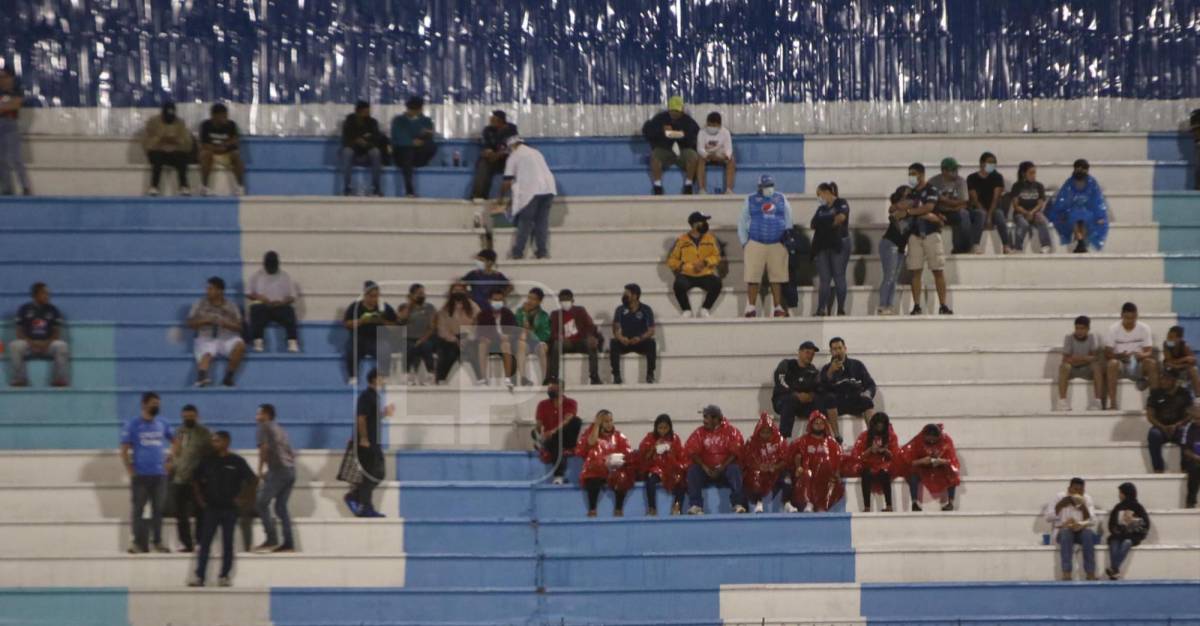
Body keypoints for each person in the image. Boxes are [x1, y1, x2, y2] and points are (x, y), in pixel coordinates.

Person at [188, 431, 255, 587]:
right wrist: (200, 500)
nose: (214, 443)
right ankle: (199, 577)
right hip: (211, 509)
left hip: (230, 510)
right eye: (213, 441)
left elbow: (253, 480)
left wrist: (243, 499)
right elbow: (195, 480)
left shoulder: (237, 461)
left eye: (217, 441)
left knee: (228, 544)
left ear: (226, 441)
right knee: (204, 544)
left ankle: (224, 576)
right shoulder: (207, 461)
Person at [120, 392, 173, 553]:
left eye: (158, 403)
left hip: (159, 476)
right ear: (144, 404)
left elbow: (177, 440)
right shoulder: (133, 424)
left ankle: (157, 542)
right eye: (153, 403)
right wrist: (130, 469)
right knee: (138, 510)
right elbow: (124, 449)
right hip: (141, 476)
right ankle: (137, 543)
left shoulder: (163, 423)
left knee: (158, 510)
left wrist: (170, 461)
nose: (156, 406)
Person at [739, 174, 793, 318]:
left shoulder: (781, 198)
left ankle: (778, 307)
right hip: (756, 241)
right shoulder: (750, 199)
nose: (768, 188)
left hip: (778, 242)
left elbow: (788, 218)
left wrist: (788, 237)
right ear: (759, 187)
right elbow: (742, 222)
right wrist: (745, 242)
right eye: (765, 186)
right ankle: (750, 307)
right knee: (752, 276)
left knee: (778, 277)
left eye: (770, 185)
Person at [903, 163, 953, 315]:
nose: (911, 177)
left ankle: (943, 305)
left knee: (938, 270)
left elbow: (929, 207)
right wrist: (910, 211)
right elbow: (899, 207)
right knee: (915, 271)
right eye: (909, 174)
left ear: (921, 174)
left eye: (913, 174)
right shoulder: (910, 192)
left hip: (931, 233)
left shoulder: (932, 190)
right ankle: (917, 306)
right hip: (914, 234)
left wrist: (910, 211)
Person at [498, 135, 556, 260]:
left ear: (511, 146)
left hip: (532, 191)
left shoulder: (514, 156)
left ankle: (518, 253)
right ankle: (542, 252)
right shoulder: (536, 152)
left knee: (525, 222)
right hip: (549, 189)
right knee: (542, 222)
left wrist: (500, 199)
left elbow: (507, 182)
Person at [344, 369, 393, 517]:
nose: (384, 381)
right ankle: (363, 505)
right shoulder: (366, 396)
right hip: (367, 443)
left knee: (377, 473)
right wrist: (364, 439)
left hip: (373, 441)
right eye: (382, 378)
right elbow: (361, 418)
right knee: (372, 474)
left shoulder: (374, 397)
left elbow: (372, 418)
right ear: (374, 379)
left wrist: (384, 414)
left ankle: (359, 499)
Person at [685, 405, 747, 514]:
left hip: (724, 471)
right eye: (704, 417)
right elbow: (692, 451)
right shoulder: (699, 432)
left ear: (716, 419)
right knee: (693, 470)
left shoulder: (731, 431)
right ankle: (696, 505)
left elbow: (735, 453)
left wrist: (721, 468)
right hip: (706, 471)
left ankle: (738, 504)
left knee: (734, 469)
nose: (704, 421)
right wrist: (705, 468)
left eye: (706, 417)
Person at [186, 276, 245, 387]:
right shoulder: (199, 304)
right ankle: (201, 377)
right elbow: (189, 323)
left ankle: (228, 377)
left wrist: (226, 324)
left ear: (220, 291)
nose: (208, 291)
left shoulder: (231, 306)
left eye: (211, 289)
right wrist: (205, 321)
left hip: (226, 336)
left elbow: (240, 327)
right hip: (206, 336)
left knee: (240, 345)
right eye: (208, 288)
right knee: (207, 352)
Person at [577, 410, 636, 517]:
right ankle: (592, 509)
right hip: (597, 469)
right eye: (605, 421)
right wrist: (596, 426)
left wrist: (617, 460)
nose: (609, 424)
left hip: (614, 470)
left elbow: (627, 454)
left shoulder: (619, 436)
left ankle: (618, 508)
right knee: (592, 478)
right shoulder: (591, 434)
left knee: (623, 477)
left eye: (610, 421)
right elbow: (590, 443)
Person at [9, 282, 69, 387]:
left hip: (48, 345)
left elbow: (56, 333)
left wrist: (46, 343)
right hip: (29, 345)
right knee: (15, 345)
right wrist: (32, 343)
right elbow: (19, 332)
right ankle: (19, 379)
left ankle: (60, 379)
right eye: (44, 293)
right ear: (35, 295)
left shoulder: (53, 310)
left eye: (48, 294)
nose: (47, 296)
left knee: (61, 345)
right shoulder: (24, 309)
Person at [169, 404, 211, 553]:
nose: (188, 419)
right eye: (185, 416)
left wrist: (204, 474)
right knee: (181, 514)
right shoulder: (179, 432)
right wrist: (172, 464)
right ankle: (186, 543)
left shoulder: (204, 433)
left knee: (200, 511)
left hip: (197, 480)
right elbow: (176, 451)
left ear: (197, 416)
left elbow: (209, 454)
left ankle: (200, 541)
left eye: (191, 416)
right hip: (180, 478)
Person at [254, 403, 295, 553]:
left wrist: (260, 470)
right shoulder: (280, 429)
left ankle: (271, 538)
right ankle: (289, 543)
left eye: (259, 413)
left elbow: (264, 448)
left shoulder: (263, 428)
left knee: (261, 502)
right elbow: (290, 452)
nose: (256, 417)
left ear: (266, 415)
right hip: (289, 470)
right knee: (281, 507)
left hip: (279, 470)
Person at [667, 211, 722, 318]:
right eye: (703, 221)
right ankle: (686, 310)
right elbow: (672, 260)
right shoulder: (682, 240)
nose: (705, 224)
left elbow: (717, 257)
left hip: (706, 274)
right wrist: (685, 266)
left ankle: (705, 309)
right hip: (687, 275)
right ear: (694, 224)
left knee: (717, 283)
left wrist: (705, 262)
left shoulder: (710, 238)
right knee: (678, 284)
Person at [1043, 477, 1099, 581]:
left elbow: (1093, 520)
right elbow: (1047, 517)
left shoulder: (1086, 498)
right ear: (1069, 489)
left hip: (1080, 531)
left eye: (1081, 490)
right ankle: (1066, 572)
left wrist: (1081, 522)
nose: (1078, 492)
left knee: (1087, 534)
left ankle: (1090, 573)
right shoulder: (1059, 497)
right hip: (1063, 530)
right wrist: (1060, 506)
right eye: (1075, 489)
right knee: (1066, 533)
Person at [1049, 159, 1110, 254]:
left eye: (1083, 169)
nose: (1081, 171)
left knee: (1084, 218)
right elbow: (1063, 201)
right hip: (1071, 212)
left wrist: (1100, 216)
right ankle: (1080, 241)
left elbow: (1097, 201)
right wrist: (1061, 213)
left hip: (1088, 212)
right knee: (1075, 217)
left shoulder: (1092, 183)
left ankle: (1081, 242)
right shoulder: (1069, 184)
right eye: (1079, 169)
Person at [343, 280, 398, 385]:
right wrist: (361, 321)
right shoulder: (355, 307)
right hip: (359, 339)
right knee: (351, 348)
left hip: (377, 339)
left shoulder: (384, 307)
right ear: (365, 295)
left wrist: (382, 321)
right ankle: (353, 376)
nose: (374, 299)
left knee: (385, 347)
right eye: (372, 296)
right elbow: (346, 323)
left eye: (376, 296)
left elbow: (395, 326)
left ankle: (384, 375)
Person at [642, 96, 700, 195]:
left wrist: (679, 134)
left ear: (681, 110)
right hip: (665, 149)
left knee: (693, 156)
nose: (674, 113)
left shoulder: (688, 121)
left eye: (677, 111)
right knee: (655, 156)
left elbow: (694, 137)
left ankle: (688, 185)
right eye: (672, 111)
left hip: (683, 150)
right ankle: (657, 186)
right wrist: (661, 132)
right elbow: (647, 132)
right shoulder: (660, 119)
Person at [818, 337, 876, 437]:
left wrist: (867, 394)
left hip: (854, 400)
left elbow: (870, 384)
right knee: (829, 399)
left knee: (867, 401)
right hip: (837, 403)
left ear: (845, 348)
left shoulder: (857, 365)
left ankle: (873, 436)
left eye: (840, 348)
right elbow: (822, 389)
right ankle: (836, 437)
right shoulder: (827, 368)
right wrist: (830, 372)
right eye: (835, 349)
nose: (838, 351)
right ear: (831, 351)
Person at [788, 412, 845, 512]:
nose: (819, 426)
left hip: (826, 476)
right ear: (811, 424)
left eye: (821, 423)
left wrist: (837, 472)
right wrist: (798, 467)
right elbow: (795, 456)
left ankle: (823, 506)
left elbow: (838, 459)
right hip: (808, 473)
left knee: (833, 481)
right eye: (816, 423)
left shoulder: (832, 443)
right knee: (807, 475)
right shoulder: (802, 441)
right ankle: (808, 503)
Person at [1105, 302, 1158, 408]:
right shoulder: (1113, 329)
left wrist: (1141, 355)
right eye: (1127, 318)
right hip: (1121, 363)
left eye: (1132, 318)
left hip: (1138, 362)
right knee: (1112, 364)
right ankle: (1113, 403)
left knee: (1151, 363)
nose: (1130, 321)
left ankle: (1154, 403)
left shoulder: (1144, 328)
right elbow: (1107, 353)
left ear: (1136, 316)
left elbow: (1149, 351)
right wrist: (1120, 356)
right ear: (1122, 316)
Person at [246, 251, 300, 353]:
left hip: (279, 306)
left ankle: (292, 341)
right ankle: (258, 341)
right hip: (263, 306)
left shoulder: (285, 276)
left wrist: (282, 302)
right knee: (255, 309)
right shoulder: (256, 276)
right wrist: (260, 298)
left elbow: (292, 296)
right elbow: (248, 293)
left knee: (290, 311)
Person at [810, 182, 851, 316]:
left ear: (827, 192)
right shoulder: (821, 209)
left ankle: (840, 309)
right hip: (822, 245)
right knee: (824, 279)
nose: (819, 198)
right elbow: (813, 224)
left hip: (838, 244)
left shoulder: (841, 203)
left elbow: (840, 218)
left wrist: (825, 224)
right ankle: (821, 309)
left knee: (839, 276)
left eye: (819, 194)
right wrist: (828, 222)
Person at [547, 289, 601, 385]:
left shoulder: (580, 310)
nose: (565, 302)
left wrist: (590, 336)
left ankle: (594, 377)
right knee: (556, 345)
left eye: (567, 300)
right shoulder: (555, 314)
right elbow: (552, 332)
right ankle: (554, 377)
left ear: (572, 300)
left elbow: (590, 326)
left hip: (580, 342)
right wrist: (561, 338)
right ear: (559, 301)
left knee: (592, 345)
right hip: (565, 343)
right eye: (562, 300)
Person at [928, 157, 982, 255]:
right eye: (952, 170)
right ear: (944, 171)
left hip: (956, 210)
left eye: (956, 169)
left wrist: (945, 200)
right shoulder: (934, 182)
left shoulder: (961, 181)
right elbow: (932, 202)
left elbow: (964, 202)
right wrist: (951, 204)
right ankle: (961, 249)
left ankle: (972, 245)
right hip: (940, 212)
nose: (956, 172)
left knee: (977, 214)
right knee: (961, 215)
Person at [534, 378, 583, 485]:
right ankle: (558, 476)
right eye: (549, 388)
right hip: (551, 440)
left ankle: (556, 446)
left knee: (576, 421)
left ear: (561, 390)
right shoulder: (542, 404)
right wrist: (541, 434)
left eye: (553, 388)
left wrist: (553, 431)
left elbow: (568, 420)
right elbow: (539, 425)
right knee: (554, 441)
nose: (550, 390)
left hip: (566, 437)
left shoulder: (570, 402)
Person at [901, 423, 960, 511]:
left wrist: (942, 461)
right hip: (923, 468)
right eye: (929, 439)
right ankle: (914, 503)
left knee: (952, 472)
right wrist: (921, 461)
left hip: (940, 468)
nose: (932, 442)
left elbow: (953, 461)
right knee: (912, 474)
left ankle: (950, 502)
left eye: (934, 440)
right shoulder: (918, 440)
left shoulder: (946, 440)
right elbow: (907, 461)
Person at [1146, 370, 1194, 473]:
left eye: (1167, 379)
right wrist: (1162, 426)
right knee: (1153, 434)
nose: (1163, 381)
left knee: (1184, 433)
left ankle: (1185, 468)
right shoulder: (1155, 393)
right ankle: (1158, 468)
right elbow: (1150, 416)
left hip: (1179, 426)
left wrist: (1178, 424)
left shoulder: (1184, 393)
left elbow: (1190, 414)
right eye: (1162, 378)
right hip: (1161, 427)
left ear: (1175, 380)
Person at [850, 412, 899, 512]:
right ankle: (867, 507)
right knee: (865, 474)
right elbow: (857, 455)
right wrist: (869, 451)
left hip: (885, 465)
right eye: (878, 424)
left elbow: (895, 456)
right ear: (874, 424)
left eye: (882, 424)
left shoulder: (891, 436)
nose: (880, 426)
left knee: (885, 473)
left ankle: (889, 505)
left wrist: (885, 451)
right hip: (868, 465)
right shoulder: (864, 436)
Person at [638, 414, 687, 515]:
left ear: (670, 428)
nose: (663, 431)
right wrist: (654, 447)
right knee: (650, 481)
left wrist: (670, 449)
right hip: (656, 468)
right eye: (660, 428)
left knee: (681, 480)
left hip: (671, 468)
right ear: (656, 428)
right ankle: (652, 508)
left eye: (665, 428)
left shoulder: (675, 438)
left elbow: (680, 456)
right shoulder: (650, 438)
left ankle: (677, 507)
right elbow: (644, 457)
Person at [772, 341, 822, 438]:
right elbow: (780, 382)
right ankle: (783, 439)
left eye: (812, 354)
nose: (810, 356)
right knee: (790, 400)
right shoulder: (786, 364)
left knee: (822, 400)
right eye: (807, 352)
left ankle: (817, 438)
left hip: (802, 403)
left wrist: (810, 396)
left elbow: (818, 388)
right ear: (799, 352)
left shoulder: (813, 371)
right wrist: (796, 394)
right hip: (782, 400)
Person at [142, 101, 193, 196]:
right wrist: (160, 140)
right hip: (158, 151)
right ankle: (154, 187)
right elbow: (146, 143)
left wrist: (176, 141)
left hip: (175, 152)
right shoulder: (153, 122)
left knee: (182, 158)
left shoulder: (180, 123)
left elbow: (188, 144)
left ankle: (184, 186)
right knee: (157, 158)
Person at [1056, 315, 1106, 411]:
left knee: (1097, 366)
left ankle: (1097, 401)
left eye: (1082, 328)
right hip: (1073, 369)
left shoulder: (1092, 337)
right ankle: (1062, 402)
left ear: (1088, 329)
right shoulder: (1069, 337)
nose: (1079, 331)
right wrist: (1085, 358)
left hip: (1086, 369)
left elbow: (1094, 358)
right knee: (1063, 367)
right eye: (1077, 328)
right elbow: (1065, 360)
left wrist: (1075, 358)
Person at [390, 96, 437, 197]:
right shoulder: (398, 120)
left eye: (416, 110)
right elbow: (397, 138)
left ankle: (420, 163)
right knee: (407, 151)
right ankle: (409, 190)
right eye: (411, 109)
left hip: (418, 155)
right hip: (402, 155)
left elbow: (428, 136)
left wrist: (422, 137)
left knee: (430, 145)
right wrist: (411, 142)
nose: (413, 112)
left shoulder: (426, 120)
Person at [610, 283, 656, 385]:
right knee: (614, 343)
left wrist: (640, 338)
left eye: (627, 293)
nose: (624, 296)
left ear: (635, 296)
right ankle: (616, 376)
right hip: (625, 342)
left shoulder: (646, 309)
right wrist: (621, 338)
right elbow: (616, 329)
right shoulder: (620, 309)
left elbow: (651, 330)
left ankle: (650, 374)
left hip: (640, 342)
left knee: (651, 343)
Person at [742, 413, 789, 513]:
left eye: (768, 432)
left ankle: (787, 503)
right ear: (758, 431)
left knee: (787, 478)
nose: (766, 435)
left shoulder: (780, 441)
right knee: (755, 476)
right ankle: (758, 503)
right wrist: (759, 467)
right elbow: (747, 460)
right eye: (763, 432)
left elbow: (785, 460)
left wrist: (775, 467)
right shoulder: (751, 442)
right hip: (757, 471)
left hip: (776, 471)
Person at [966, 152, 1010, 254]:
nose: (992, 165)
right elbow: (974, 198)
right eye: (990, 162)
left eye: (994, 163)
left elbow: (996, 198)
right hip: (977, 209)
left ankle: (1006, 245)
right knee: (981, 214)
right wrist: (985, 214)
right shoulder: (972, 178)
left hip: (993, 208)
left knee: (999, 215)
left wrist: (989, 216)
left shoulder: (997, 177)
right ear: (982, 163)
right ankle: (975, 245)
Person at [198, 103, 245, 196]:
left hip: (226, 154)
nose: (225, 118)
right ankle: (204, 187)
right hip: (212, 153)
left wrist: (225, 145)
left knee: (236, 155)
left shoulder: (231, 125)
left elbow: (235, 141)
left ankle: (240, 187)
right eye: (222, 116)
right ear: (214, 116)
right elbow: (204, 144)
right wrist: (221, 147)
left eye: (226, 115)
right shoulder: (206, 125)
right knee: (205, 155)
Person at [432, 288, 478, 383]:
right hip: (451, 338)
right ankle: (441, 379)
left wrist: (468, 338)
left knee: (474, 352)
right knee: (447, 353)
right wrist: (455, 340)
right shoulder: (444, 310)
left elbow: (478, 324)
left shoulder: (473, 307)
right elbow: (442, 330)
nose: (459, 304)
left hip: (469, 337)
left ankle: (480, 379)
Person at [1105, 482, 1150, 580]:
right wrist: (1116, 530)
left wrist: (1133, 522)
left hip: (1133, 535)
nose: (1119, 495)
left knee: (1127, 542)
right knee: (1114, 542)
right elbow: (1111, 524)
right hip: (1118, 534)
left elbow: (1145, 524)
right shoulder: (1118, 507)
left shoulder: (1138, 507)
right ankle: (1115, 571)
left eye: (1120, 493)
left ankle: (1114, 568)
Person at [340, 101, 385, 196]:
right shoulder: (349, 122)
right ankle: (347, 188)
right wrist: (357, 141)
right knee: (347, 152)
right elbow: (346, 141)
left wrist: (365, 143)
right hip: (353, 155)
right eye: (364, 111)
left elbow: (376, 140)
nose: (367, 113)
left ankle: (376, 188)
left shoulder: (372, 122)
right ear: (358, 112)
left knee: (376, 152)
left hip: (367, 154)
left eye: (368, 111)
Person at [471, 110, 519, 199]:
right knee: (483, 163)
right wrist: (489, 153)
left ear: (500, 120)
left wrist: (498, 154)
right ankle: (479, 197)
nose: (491, 120)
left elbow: (513, 147)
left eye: (493, 118)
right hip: (494, 160)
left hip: (508, 158)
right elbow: (487, 146)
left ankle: (519, 196)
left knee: (518, 159)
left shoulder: (511, 129)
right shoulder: (488, 130)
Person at [876, 186, 909, 315]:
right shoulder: (898, 209)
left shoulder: (912, 211)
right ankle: (882, 305)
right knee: (889, 276)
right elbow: (894, 214)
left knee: (894, 278)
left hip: (900, 247)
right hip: (890, 243)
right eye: (907, 196)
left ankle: (889, 305)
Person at [475, 289, 517, 387]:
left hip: (503, 343)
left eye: (500, 300)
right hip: (489, 343)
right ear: (489, 300)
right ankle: (483, 378)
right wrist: (484, 337)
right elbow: (479, 332)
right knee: (482, 345)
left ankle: (508, 379)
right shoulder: (483, 314)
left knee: (506, 345)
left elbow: (514, 331)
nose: (498, 302)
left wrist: (508, 336)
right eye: (495, 300)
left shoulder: (508, 314)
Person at [0, 67, 31, 195]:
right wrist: (7, 106)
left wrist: (4, 107)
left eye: (5, 77)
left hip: (11, 125)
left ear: (11, 78)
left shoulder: (17, 91)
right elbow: (10, 106)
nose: (3, 80)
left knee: (16, 158)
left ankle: (25, 187)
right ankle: (7, 188)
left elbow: (16, 105)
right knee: (1, 159)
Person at [1010, 161, 1053, 253]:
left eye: (1034, 173)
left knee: (1041, 218)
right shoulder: (1017, 186)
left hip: (1034, 212)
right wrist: (1026, 213)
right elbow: (1016, 205)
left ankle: (1046, 246)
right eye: (1031, 173)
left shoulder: (1039, 186)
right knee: (1023, 223)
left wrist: (1031, 212)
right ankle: (1018, 248)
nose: (1033, 175)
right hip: (1020, 213)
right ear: (1023, 174)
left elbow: (1040, 203)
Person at [399, 283, 437, 385]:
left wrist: (422, 339)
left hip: (426, 337)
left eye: (423, 293)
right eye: (419, 293)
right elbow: (402, 320)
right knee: (409, 347)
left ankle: (431, 375)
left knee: (426, 346)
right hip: (409, 338)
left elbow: (432, 327)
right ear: (411, 295)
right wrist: (410, 304)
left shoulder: (430, 307)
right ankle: (407, 375)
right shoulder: (404, 307)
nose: (422, 295)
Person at [514, 287, 550, 386]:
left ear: (539, 301)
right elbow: (516, 329)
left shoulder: (543, 316)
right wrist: (525, 315)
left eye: (533, 299)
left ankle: (545, 378)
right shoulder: (519, 312)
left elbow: (545, 335)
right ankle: (523, 378)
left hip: (537, 342)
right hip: (524, 342)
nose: (530, 301)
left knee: (543, 348)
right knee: (521, 345)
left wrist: (531, 333)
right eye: (529, 298)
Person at [696, 111, 735, 193]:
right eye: (709, 125)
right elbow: (700, 149)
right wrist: (707, 155)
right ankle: (702, 189)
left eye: (714, 125)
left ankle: (729, 189)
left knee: (731, 160)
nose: (711, 127)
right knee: (700, 160)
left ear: (719, 125)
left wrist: (725, 156)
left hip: (720, 155)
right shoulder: (702, 132)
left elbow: (729, 149)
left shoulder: (725, 132)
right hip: (707, 155)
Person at [1162, 325, 1200, 394]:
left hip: (1183, 369)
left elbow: (1193, 361)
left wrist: (1177, 365)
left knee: (1193, 370)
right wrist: (1185, 359)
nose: (1168, 339)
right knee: (1167, 367)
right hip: (1170, 368)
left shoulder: (1185, 346)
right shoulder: (1166, 344)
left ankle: (1198, 397)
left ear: (1180, 339)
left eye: (1171, 337)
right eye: (1168, 336)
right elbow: (1169, 361)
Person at [1182, 407, 1200, 508]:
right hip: (1194, 459)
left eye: (1199, 418)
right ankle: (1190, 502)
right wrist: (1197, 457)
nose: (1197, 421)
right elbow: (1185, 449)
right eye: (1195, 418)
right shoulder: (1188, 428)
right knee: (1194, 469)